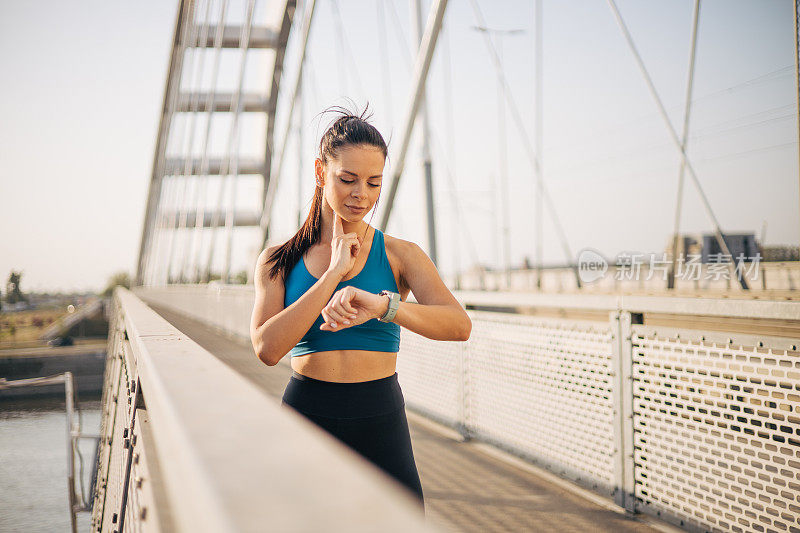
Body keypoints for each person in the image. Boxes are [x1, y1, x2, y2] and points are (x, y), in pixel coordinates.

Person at [249, 105, 472, 511]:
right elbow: (267, 348)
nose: (361, 195)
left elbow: (458, 325)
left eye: (374, 182)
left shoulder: (401, 255)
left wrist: (385, 307)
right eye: (348, 179)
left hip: (380, 416)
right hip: (307, 413)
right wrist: (334, 274)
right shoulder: (278, 260)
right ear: (321, 172)